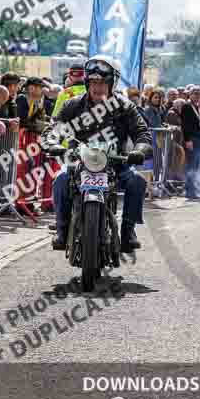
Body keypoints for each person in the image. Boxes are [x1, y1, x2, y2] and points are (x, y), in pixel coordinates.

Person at [44, 55, 152, 253]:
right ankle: (62, 228)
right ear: (86, 83)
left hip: (115, 163)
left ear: (113, 83)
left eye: (102, 83)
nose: (97, 87)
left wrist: (139, 150)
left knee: (137, 181)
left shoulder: (125, 106)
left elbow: (142, 132)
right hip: (79, 161)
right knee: (60, 179)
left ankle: (128, 231)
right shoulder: (72, 105)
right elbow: (54, 129)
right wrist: (52, 143)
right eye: (93, 82)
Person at [180, 85, 200, 200]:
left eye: (199, 93)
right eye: (195, 93)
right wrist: (187, 140)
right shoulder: (186, 106)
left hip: (199, 139)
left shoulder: (198, 106)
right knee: (191, 165)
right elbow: (184, 125)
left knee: (196, 165)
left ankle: (193, 188)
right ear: (190, 94)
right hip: (192, 139)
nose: (197, 95)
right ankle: (190, 190)